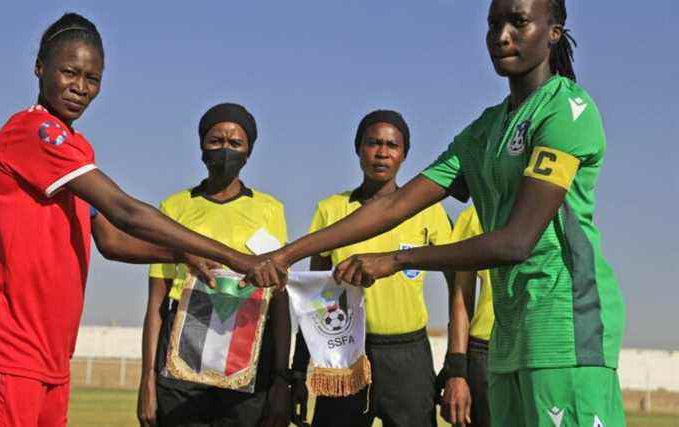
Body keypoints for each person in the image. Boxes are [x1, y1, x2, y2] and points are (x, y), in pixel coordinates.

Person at [260, 1, 626, 425]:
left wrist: (398, 259)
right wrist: (286, 254)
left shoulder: (566, 110)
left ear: (554, 32)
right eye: (493, 23)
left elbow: (516, 241)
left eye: (518, 22)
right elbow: (395, 205)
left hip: (566, 328)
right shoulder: (484, 131)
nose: (501, 35)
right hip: (511, 336)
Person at [0, 13, 282, 427]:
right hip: (6, 344)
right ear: (40, 67)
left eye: (92, 78)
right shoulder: (31, 132)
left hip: (50, 351)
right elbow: (125, 212)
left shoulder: (75, 149)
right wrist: (236, 258)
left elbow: (110, 241)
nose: (80, 87)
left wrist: (181, 254)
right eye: (69, 73)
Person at [290, 110, 452, 427]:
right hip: (345, 353)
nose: (382, 152)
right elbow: (315, 299)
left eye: (392, 145)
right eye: (373, 143)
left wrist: (457, 362)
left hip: (407, 355)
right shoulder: (331, 209)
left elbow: (458, 284)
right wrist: (299, 369)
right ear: (358, 148)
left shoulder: (427, 211)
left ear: (405, 154)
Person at [137, 103, 290, 427]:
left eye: (235, 143)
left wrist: (280, 379)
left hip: (247, 344)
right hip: (184, 342)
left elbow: (279, 299)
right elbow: (155, 305)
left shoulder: (269, 209)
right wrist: (148, 379)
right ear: (201, 146)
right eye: (215, 141)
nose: (225, 150)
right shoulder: (175, 207)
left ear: (249, 151)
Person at [439, 205, 493, 427]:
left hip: (544, 351)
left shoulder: (556, 205)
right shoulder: (474, 215)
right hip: (485, 351)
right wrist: (457, 371)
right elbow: (461, 298)